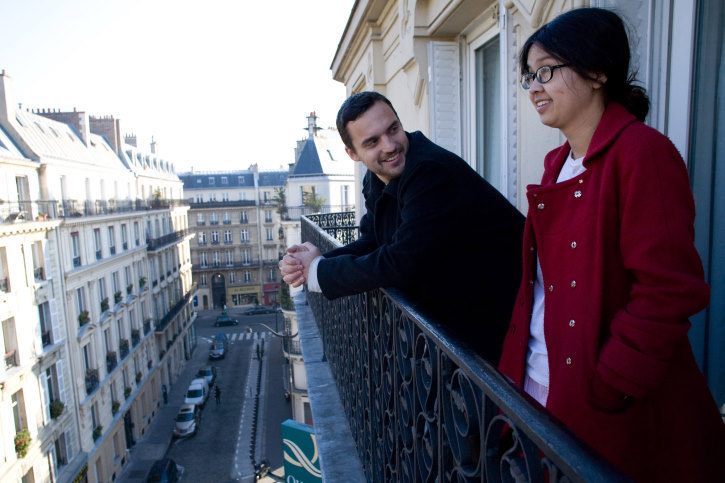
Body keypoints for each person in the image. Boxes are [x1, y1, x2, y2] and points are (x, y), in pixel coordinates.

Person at [496, 7, 725, 481]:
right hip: (541, 381)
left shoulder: (643, 152)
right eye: (528, 77)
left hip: (605, 403)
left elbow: (668, 290)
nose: (534, 87)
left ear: (597, 72)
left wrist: (610, 384)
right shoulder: (558, 162)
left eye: (545, 72)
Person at [280, 91, 525, 362]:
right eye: (372, 141)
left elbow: (402, 262)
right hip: (465, 320)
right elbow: (374, 239)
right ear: (353, 154)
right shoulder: (378, 176)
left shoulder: (430, 172)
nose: (389, 145)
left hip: (510, 316)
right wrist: (315, 263)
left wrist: (318, 272)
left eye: (393, 129)